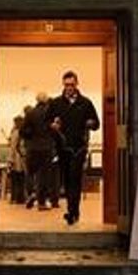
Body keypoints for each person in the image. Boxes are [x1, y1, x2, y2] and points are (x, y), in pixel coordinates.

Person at [48, 70, 99, 226]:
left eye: (71, 84)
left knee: (75, 180)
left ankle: (72, 212)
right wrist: (53, 126)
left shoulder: (86, 103)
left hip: (79, 148)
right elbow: (47, 124)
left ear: (77, 84)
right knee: (67, 181)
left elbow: (97, 124)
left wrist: (91, 123)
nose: (69, 87)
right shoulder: (56, 103)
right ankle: (73, 211)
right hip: (63, 148)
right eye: (66, 85)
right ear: (63, 85)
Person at [22, 93, 58, 210]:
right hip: (47, 148)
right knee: (44, 175)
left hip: (32, 148)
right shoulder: (51, 114)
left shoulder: (30, 113)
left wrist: (31, 137)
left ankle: (30, 194)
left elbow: (23, 131)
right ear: (46, 101)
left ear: (36, 100)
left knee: (30, 172)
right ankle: (41, 203)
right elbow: (55, 131)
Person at [6, 114, 27, 204]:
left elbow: (13, 147)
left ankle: (14, 197)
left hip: (17, 158)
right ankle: (20, 197)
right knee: (21, 179)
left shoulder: (15, 132)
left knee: (15, 179)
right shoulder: (25, 131)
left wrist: (10, 160)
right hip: (22, 158)